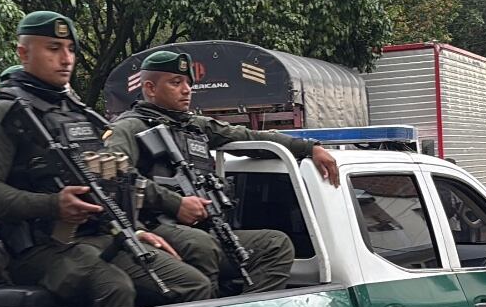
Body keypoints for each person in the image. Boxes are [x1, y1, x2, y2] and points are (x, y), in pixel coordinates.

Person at [0, 12, 214, 307]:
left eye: (70, 49)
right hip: (36, 249)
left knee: (194, 285)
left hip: (100, 236)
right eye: (53, 48)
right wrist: (53, 204)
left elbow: (114, 178)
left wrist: (133, 229)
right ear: (23, 52)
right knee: (113, 288)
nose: (66, 59)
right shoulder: (0, 115)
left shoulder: (78, 113)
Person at [102, 50, 339, 294]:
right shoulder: (128, 127)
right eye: (176, 83)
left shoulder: (193, 126)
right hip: (155, 228)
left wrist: (309, 147)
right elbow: (115, 178)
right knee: (202, 246)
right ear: (150, 88)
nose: (186, 90)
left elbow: (250, 138)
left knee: (275, 244)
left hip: (205, 228)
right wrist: (176, 203)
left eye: (188, 83)